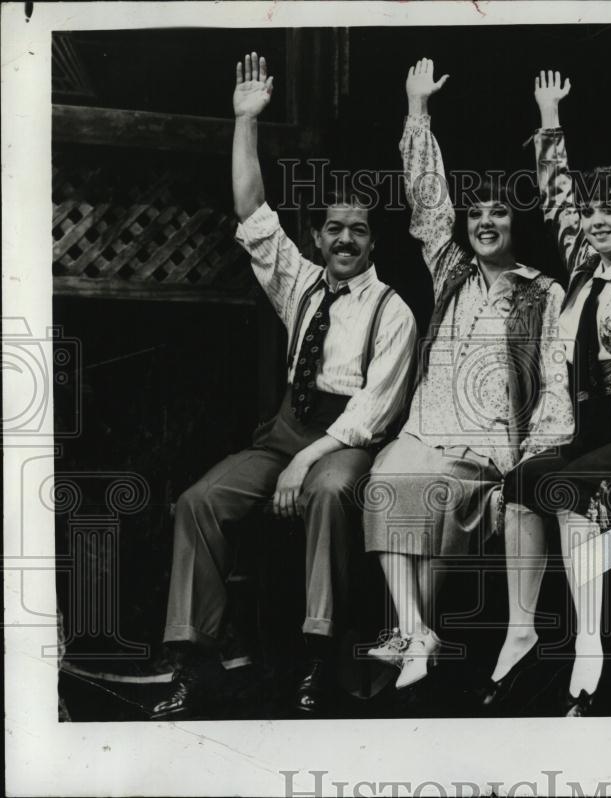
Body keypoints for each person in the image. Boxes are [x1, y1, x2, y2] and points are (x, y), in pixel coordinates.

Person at [152, 53, 418, 719]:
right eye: (334, 229)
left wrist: (307, 460)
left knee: (328, 493)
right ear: (319, 236)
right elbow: (252, 210)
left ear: (372, 239)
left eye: (358, 230)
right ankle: (198, 655)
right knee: (199, 501)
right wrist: (245, 121)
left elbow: (373, 410)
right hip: (284, 434)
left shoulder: (393, 311)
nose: (345, 240)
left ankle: (317, 657)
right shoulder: (300, 283)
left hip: (349, 441)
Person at [483, 71, 611, 716]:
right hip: (584, 427)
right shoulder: (582, 266)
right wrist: (548, 114)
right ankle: (522, 628)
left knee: (566, 493)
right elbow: (555, 195)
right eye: (592, 210)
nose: (597, 219)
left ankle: (590, 643)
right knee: (521, 486)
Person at [363, 59, 573, 690]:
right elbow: (429, 201)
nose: (485, 221)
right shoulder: (451, 271)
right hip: (427, 433)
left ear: (516, 225)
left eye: (499, 214)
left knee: (410, 502)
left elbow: (556, 381)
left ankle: (415, 636)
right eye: (477, 211)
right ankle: (417, 632)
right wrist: (417, 110)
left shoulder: (544, 293)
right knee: (385, 483)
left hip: (487, 450)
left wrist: (535, 457)